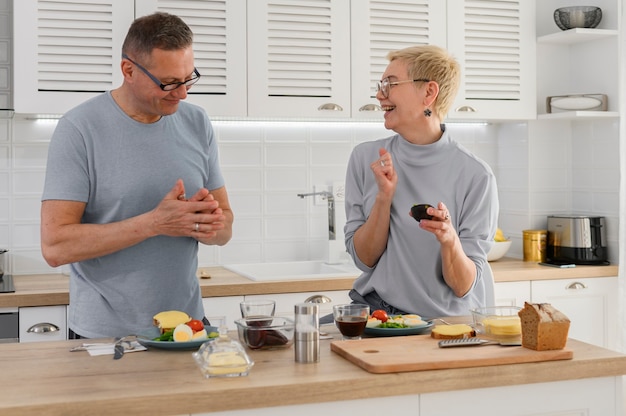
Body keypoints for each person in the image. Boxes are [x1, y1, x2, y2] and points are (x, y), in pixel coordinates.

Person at [40, 12, 233, 338]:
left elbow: (225, 228)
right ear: (128, 70)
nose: (183, 94)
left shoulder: (197, 123)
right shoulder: (79, 129)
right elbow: (55, 247)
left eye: (189, 78)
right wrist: (154, 223)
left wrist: (208, 223)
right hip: (106, 336)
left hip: (189, 329)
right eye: (169, 82)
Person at [343, 45, 498, 319]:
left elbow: (464, 286)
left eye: (390, 85)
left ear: (429, 93)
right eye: (380, 86)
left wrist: (450, 240)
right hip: (373, 314)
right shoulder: (366, 159)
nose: (380, 95)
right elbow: (364, 260)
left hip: (438, 324)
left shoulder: (476, 176)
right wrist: (384, 197)